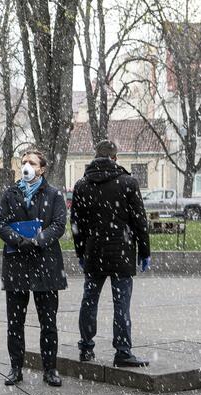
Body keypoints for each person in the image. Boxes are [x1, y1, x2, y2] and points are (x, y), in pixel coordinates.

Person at [70, 140, 151, 367]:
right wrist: (144, 252)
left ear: (96, 156)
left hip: (94, 252)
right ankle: (122, 351)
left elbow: (76, 224)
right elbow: (139, 222)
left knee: (89, 301)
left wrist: (81, 252)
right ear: (115, 158)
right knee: (121, 304)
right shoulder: (128, 183)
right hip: (122, 253)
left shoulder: (82, 185)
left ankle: (86, 347)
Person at [0, 146, 67, 387]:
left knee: (48, 322)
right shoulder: (10, 193)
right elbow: (0, 223)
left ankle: (50, 369)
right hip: (17, 265)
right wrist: (19, 241)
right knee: (15, 322)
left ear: (42, 169)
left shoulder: (54, 195)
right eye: (24, 161)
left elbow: (58, 225)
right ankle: (16, 368)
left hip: (45, 265)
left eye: (33, 163)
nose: (27, 166)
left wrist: (37, 240)